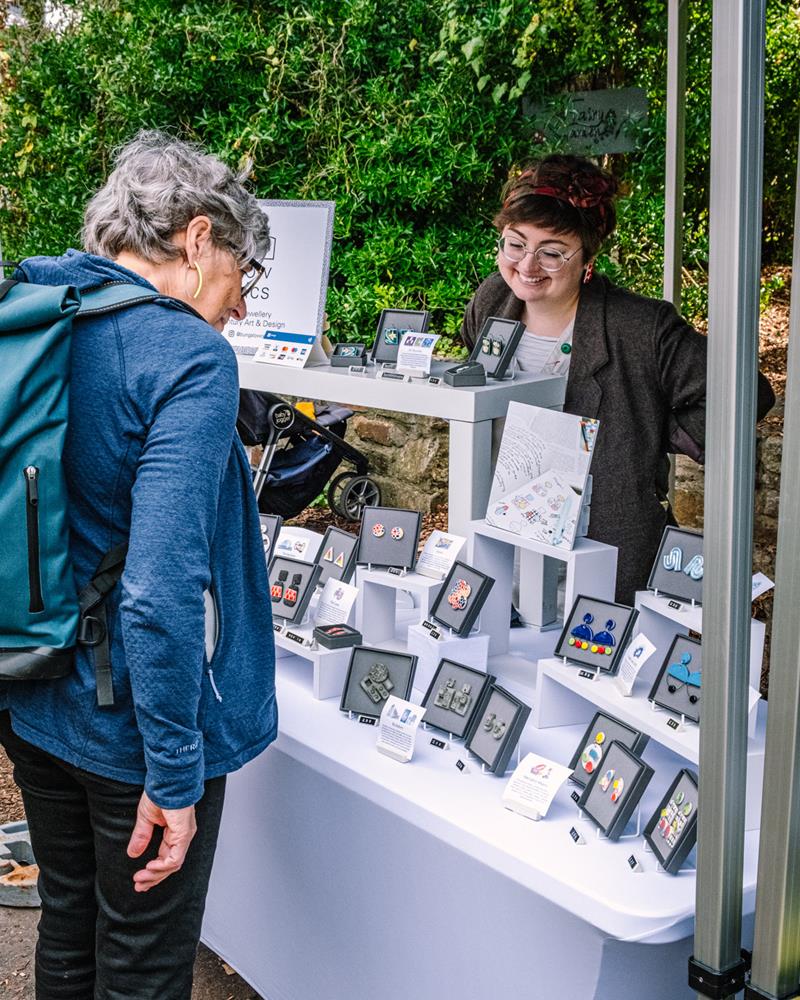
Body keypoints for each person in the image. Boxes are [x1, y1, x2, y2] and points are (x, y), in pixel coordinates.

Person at [0, 130, 276, 999]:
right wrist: (174, 769)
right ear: (198, 240)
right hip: (128, 726)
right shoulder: (188, 359)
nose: (238, 303)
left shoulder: (34, 312)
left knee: (71, 923)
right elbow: (158, 594)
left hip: (32, 687)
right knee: (145, 964)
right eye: (243, 271)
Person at [461, 154, 775, 603]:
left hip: (602, 544)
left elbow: (748, 393)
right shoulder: (492, 298)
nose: (528, 266)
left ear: (588, 256)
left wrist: (651, 429)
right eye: (515, 244)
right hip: (502, 537)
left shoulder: (640, 326)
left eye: (551, 252)